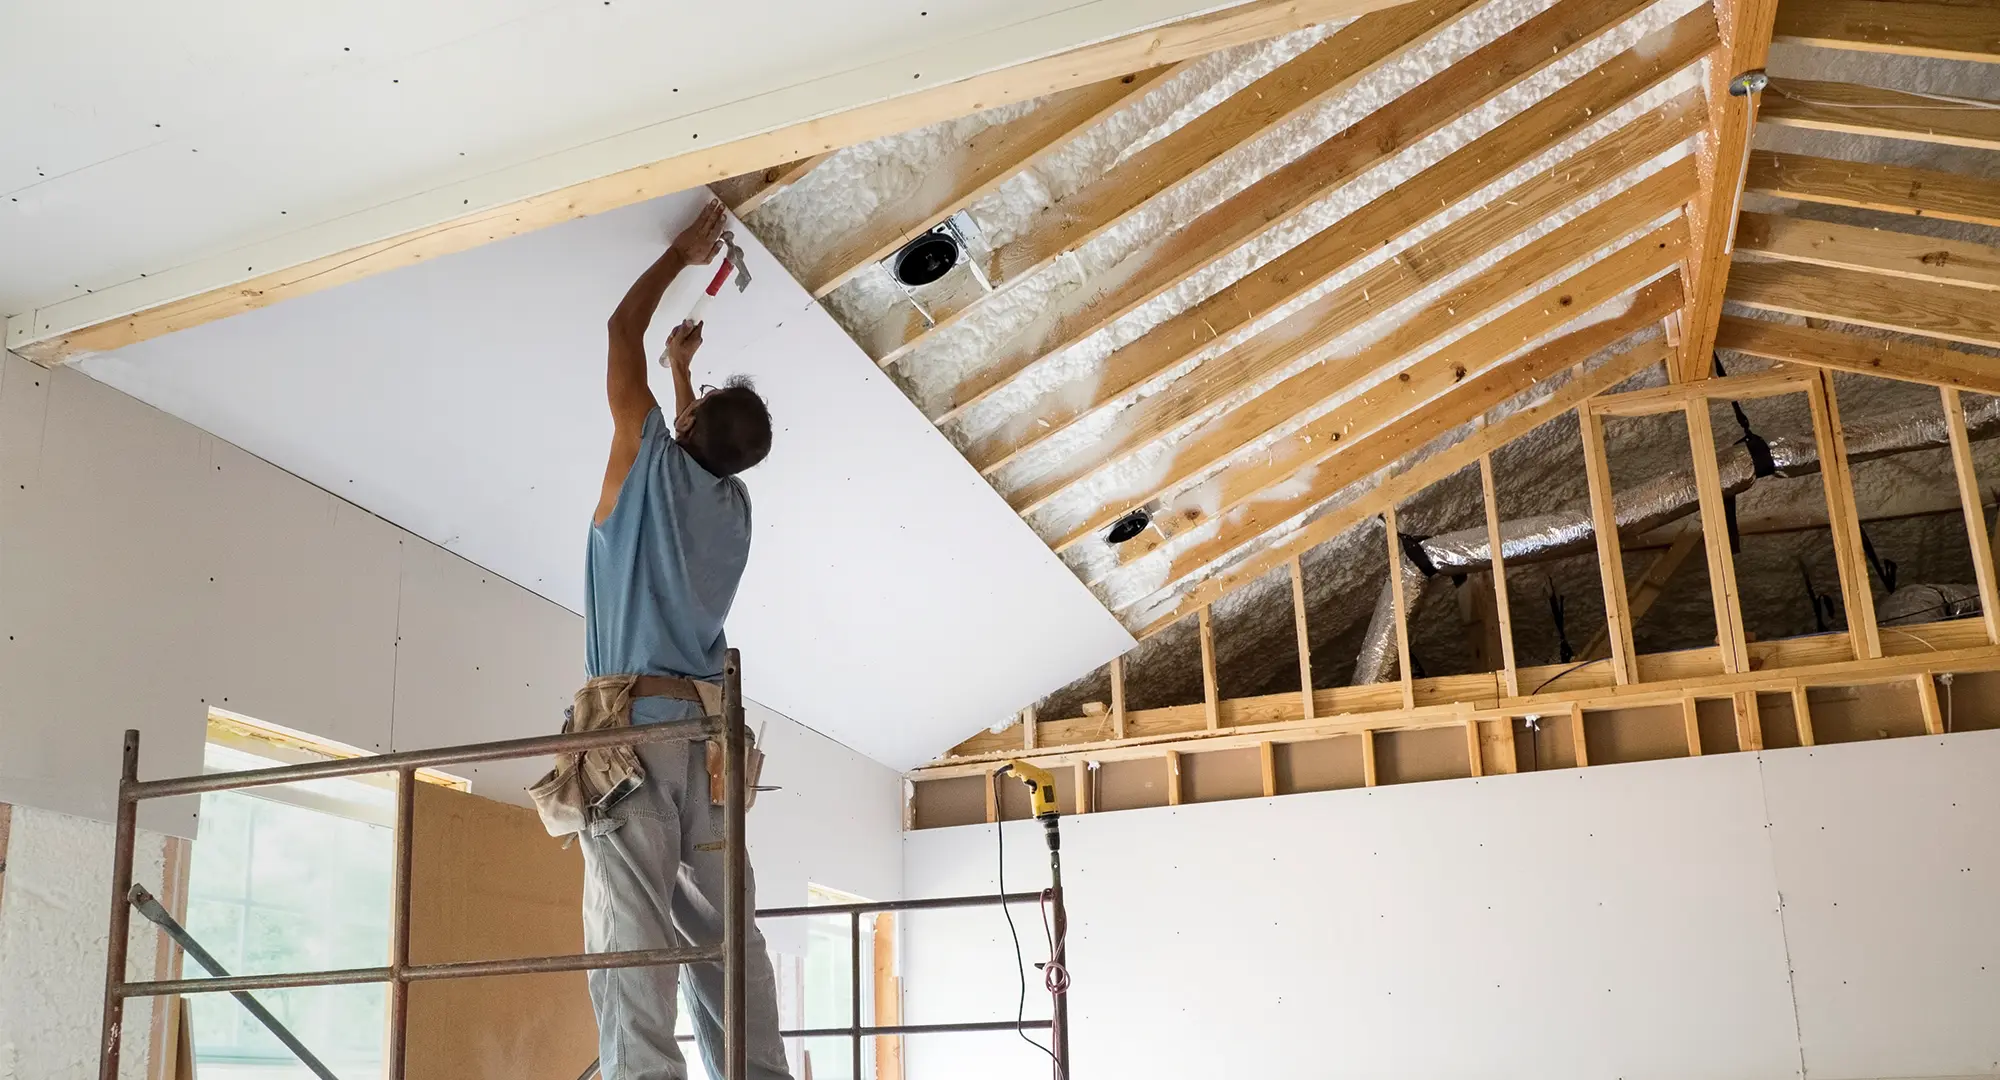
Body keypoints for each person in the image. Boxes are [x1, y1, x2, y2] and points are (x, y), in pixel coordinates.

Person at [580, 198, 788, 1080]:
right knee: (720, 937)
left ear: (690, 426)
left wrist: (680, 254)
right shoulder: (735, 509)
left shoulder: (646, 461)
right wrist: (682, 375)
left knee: (634, 933)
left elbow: (619, 326)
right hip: (708, 749)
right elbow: (694, 449)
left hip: (635, 736)